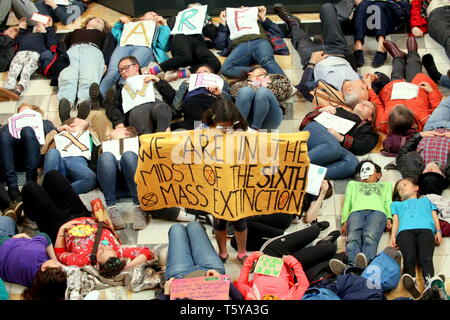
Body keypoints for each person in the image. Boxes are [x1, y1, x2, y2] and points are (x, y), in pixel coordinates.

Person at [21, 170, 154, 276]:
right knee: (53, 176)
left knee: (31, 188)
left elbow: (60, 255)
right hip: (82, 216)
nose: (103, 248)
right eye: (108, 249)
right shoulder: (118, 252)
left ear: (97, 264)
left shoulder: (83, 260)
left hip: (60, 227)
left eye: (101, 253)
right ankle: (48, 201)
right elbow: (147, 252)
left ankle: (33, 213)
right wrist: (127, 267)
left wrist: (62, 230)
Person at [274, 3, 379, 108]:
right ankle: (348, 6)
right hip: (337, 49)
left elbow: (304, 88)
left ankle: (293, 23)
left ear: (349, 90)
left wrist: (312, 62)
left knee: (298, 37)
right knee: (327, 8)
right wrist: (376, 76)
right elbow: (384, 80)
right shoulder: (360, 82)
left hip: (313, 57)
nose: (365, 85)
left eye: (363, 88)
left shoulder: (329, 94)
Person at [199, 99, 249, 264]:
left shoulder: (241, 127)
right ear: (213, 120)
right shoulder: (203, 130)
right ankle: (222, 252)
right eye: (222, 127)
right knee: (219, 220)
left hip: (236, 181)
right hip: (215, 182)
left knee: (239, 219)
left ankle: (242, 252)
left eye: (229, 126)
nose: (226, 130)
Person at [231, 180, 333, 252]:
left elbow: (309, 217)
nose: (322, 182)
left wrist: (323, 193)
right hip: (270, 204)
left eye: (324, 182)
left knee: (243, 223)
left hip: (285, 212)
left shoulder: (313, 194)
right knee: (235, 242)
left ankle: (286, 235)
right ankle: (286, 243)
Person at [371, 36, 442, 134]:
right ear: (413, 122)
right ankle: (413, 53)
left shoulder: (383, 124)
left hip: (394, 90)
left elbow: (377, 105)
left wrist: (369, 88)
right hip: (417, 88)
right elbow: (438, 109)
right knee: (414, 67)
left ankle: (398, 57)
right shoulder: (426, 123)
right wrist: (431, 91)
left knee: (396, 72)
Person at [161, 222, 243, 300]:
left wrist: (166, 294)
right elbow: (239, 298)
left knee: (176, 229)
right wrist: (222, 279)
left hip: (179, 278)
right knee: (194, 225)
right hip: (212, 273)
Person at [391, 177, 443, 299]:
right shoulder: (396, 204)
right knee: (409, 257)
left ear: (416, 188)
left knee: (426, 258)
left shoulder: (426, 200)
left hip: (426, 230)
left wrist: (439, 231)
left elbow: (434, 216)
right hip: (404, 231)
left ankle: (429, 284)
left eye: (404, 185)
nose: (401, 188)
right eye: (399, 188)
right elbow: (396, 220)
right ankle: (411, 280)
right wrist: (393, 235)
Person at [299, 100, 378, 179]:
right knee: (334, 147)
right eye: (361, 102)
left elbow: (362, 146)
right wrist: (319, 110)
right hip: (315, 133)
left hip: (333, 149)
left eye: (368, 106)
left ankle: (308, 175)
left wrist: (341, 138)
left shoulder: (370, 132)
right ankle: (295, 165)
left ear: (370, 117)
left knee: (353, 164)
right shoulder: (338, 110)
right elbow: (303, 124)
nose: (363, 103)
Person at [99, 11, 171, 98]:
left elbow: (163, 45)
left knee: (128, 73)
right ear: (142, 18)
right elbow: (115, 32)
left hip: (144, 47)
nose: (155, 15)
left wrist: (164, 24)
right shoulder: (130, 25)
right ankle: (99, 97)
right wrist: (120, 22)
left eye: (156, 15)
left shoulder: (157, 29)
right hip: (123, 45)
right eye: (151, 13)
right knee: (112, 72)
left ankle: (119, 102)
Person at [57, 17, 116, 122]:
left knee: (88, 78)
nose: (99, 20)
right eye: (95, 19)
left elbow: (109, 48)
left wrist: (106, 62)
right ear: (86, 23)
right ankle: (66, 103)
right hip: (72, 50)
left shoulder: (105, 35)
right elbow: (64, 45)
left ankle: (83, 105)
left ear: (104, 28)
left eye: (102, 22)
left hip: (93, 50)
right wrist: (61, 57)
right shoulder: (75, 32)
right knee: (67, 76)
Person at [147, 4, 221, 81]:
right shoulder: (175, 19)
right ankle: (152, 70)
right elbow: (169, 30)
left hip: (198, 41)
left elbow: (213, 35)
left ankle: (179, 74)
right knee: (186, 57)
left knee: (215, 63)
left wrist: (206, 22)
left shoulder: (204, 22)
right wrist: (178, 18)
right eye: (192, 10)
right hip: (181, 37)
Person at [340, 160, 393, 267]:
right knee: (353, 237)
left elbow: (388, 202)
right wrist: (344, 220)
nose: (365, 174)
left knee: (370, 237)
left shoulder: (386, 186)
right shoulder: (353, 184)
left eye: (369, 170)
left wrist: (389, 217)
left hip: (378, 212)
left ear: (378, 175)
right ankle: (352, 265)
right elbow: (348, 202)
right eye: (362, 171)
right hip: (355, 212)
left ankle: (367, 263)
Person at [0, 215, 67, 300]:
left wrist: (29, 239)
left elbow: (45, 236)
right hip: (6, 256)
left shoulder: (37, 252)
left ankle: (14, 215)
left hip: (4, 241)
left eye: (55, 264)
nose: (58, 264)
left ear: (43, 267)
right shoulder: (34, 285)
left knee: (8, 219)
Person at [95, 126, 148, 230]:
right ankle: (111, 208)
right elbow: (94, 168)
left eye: (116, 128)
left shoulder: (140, 144)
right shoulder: (100, 147)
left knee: (128, 155)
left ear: (127, 133)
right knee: (106, 156)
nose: (113, 129)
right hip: (113, 186)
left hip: (133, 184)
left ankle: (139, 206)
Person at [0, 103, 56, 202]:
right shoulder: (8, 126)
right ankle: (12, 187)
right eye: (20, 113)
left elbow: (52, 136)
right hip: (14, 160)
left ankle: (31, 181)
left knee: (27, 130)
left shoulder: (45, 123)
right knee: (4, 133)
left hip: (35, 157)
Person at [151, 64, 232, 131]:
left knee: (195, 124)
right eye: (198, 72)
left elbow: (232, 102)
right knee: (195, 121)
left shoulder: (221, 83)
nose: (201, 73)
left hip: (213, 102)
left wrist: (220, 93)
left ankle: (196, 128)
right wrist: (158, 80)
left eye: (205, 72)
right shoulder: (187, 84)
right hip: (193, 104)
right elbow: (174, 100)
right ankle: (204, 128)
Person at [105, 56, 172, 135]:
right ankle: (150, 141)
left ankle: (162, 137)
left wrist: (158, 80)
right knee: (140, 115)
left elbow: (171, 96)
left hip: (156, 104)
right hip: (137, 110)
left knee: (162, 108)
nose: (123, 72)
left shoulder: (152, 79)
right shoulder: (121, 88)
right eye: (120, 70)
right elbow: (112, 107)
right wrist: (119, 124)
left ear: (136, 67)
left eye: (126, 68)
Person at [217, 6, 286, 79]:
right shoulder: (229, 25)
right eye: (238, 8)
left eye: (245, 7)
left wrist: (263, 18)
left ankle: (288, 87)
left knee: (267, 61)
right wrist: (223, 22)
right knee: (225, 69)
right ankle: (260, 73)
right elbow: (220, 45)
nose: (242, 7)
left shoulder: (257, 21)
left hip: (260, 41)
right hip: (241, 46)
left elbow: (279, 33)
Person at [395, 96, 450, 186]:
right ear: (443, 177)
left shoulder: (412, 171)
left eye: (426, 172)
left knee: (447, 102)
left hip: (433, 125)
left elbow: (401, 155)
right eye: (435, 173)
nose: (431, 169)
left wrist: (418, 135)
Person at [0, 17, 57, 101]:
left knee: (26, 71)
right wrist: (22, 28)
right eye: (37, 24)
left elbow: (52, 43)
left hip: (35, 54)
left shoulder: (46, 36)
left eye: (42, 25)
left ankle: (18, 89)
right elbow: (19, 40)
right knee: (13, 69)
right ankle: (7, 89)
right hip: (21, 52)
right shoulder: (27, 34)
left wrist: (49, 28)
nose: (38, 25)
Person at [42, 117, 99, 195]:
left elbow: (101, 145)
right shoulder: (59, 134)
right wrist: (58, 129)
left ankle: (55, 195)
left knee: (91, 179)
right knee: (53, 152)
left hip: (77, 160)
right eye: (80, 119)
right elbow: (43, 150)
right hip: (59, 159)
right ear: (72, 125)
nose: (85, 120)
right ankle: (48, 189)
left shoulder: (90, 133)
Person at [352, 0, 410, 68]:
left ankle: (382, 46)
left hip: (388, 16)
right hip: (368, 19)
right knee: (363, 5)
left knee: (379, 6)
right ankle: (358, 46)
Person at [235, 251, 309, 300]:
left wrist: (249, 260)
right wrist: (294, 264)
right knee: (314, 233)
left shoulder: (252, 298)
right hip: (287, 261)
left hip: (266, 256)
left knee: (313, 232)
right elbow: (303, 286)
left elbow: (242, 284)